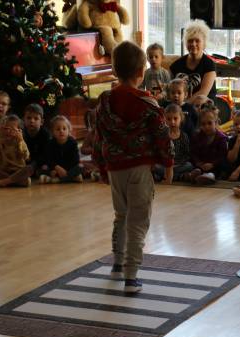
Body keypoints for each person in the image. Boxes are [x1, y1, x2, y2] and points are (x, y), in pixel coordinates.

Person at [94, 41, 173, 293]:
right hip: (139, 169)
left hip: (115, 167)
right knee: (138, 221)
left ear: (115, 70)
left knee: (121, 215)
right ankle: (131, 276)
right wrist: (168, 164)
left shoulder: (105, 101)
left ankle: (117, 263)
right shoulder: (148, 103)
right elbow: (162, 134)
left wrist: (101, 166)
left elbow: (99, 136)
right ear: (141, 72)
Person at [170, 20, 217, 100]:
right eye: (190, 41)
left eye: (197, 41)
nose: (193, 44)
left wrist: (185, 105)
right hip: (180, 109)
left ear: (204, 43)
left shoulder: (209, 65)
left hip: (204, 109)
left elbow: (203, 93)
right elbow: (171, 91)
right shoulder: (175, 66)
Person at [0, 115, 33, 187]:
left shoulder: (20, 142)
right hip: (3, 171)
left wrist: (20, 141)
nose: (8, 132)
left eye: (12, 129)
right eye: (6, 128)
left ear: (19, 131)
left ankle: (2, 182)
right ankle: (12, 181)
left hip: (17, 171)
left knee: (29, 169)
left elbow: (26, 156)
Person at [189, 104, 228, 185]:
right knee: (192, 166)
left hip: (215, 165)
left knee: (223, 165)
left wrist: (213, 164)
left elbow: (222, 155)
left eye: (210, 123)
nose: (206, 126)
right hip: (201, 164)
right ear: (200, 125)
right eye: (203, 124)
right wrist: (198, 163)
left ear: (216, 122)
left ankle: (210, 176)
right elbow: (193, 152)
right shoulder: (197, 137)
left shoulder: (221, 138)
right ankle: (197, 174)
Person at [38, 116, 83, 184]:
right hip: (56, 168)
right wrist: (57, 168)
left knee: (80, 166)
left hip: (69, 168)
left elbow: (75, 159)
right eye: (58, 129)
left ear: (69, 130)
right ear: (53, 132)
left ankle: (55, 180)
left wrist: (65, 170)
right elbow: (49, 159)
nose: (61, 131)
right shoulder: (50, 143)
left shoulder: (73, 142)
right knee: (43, 168)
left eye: (64, 129)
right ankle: (72, 178)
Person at [153, 104, 190, 183]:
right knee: (155, 167)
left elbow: (186, 154)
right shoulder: (162, 135)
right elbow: (158, 152)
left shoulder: (184, 136)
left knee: (189, 165)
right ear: (164, 119)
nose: (172, 122)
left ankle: (164, 177)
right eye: (169, 119)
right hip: (164, 165)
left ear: (181, 119)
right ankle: (180, 177)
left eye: (175, 118)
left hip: (178, 165)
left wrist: (176, 164)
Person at [22, 103, 51, 173]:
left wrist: (34, 164)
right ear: (24, 120)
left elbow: (46, 154)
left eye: (36, 118)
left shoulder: (46, 135)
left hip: (40, 163)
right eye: (28, 118)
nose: (32, 121)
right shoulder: (21, 133)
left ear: (42, 122)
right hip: (25, 162)